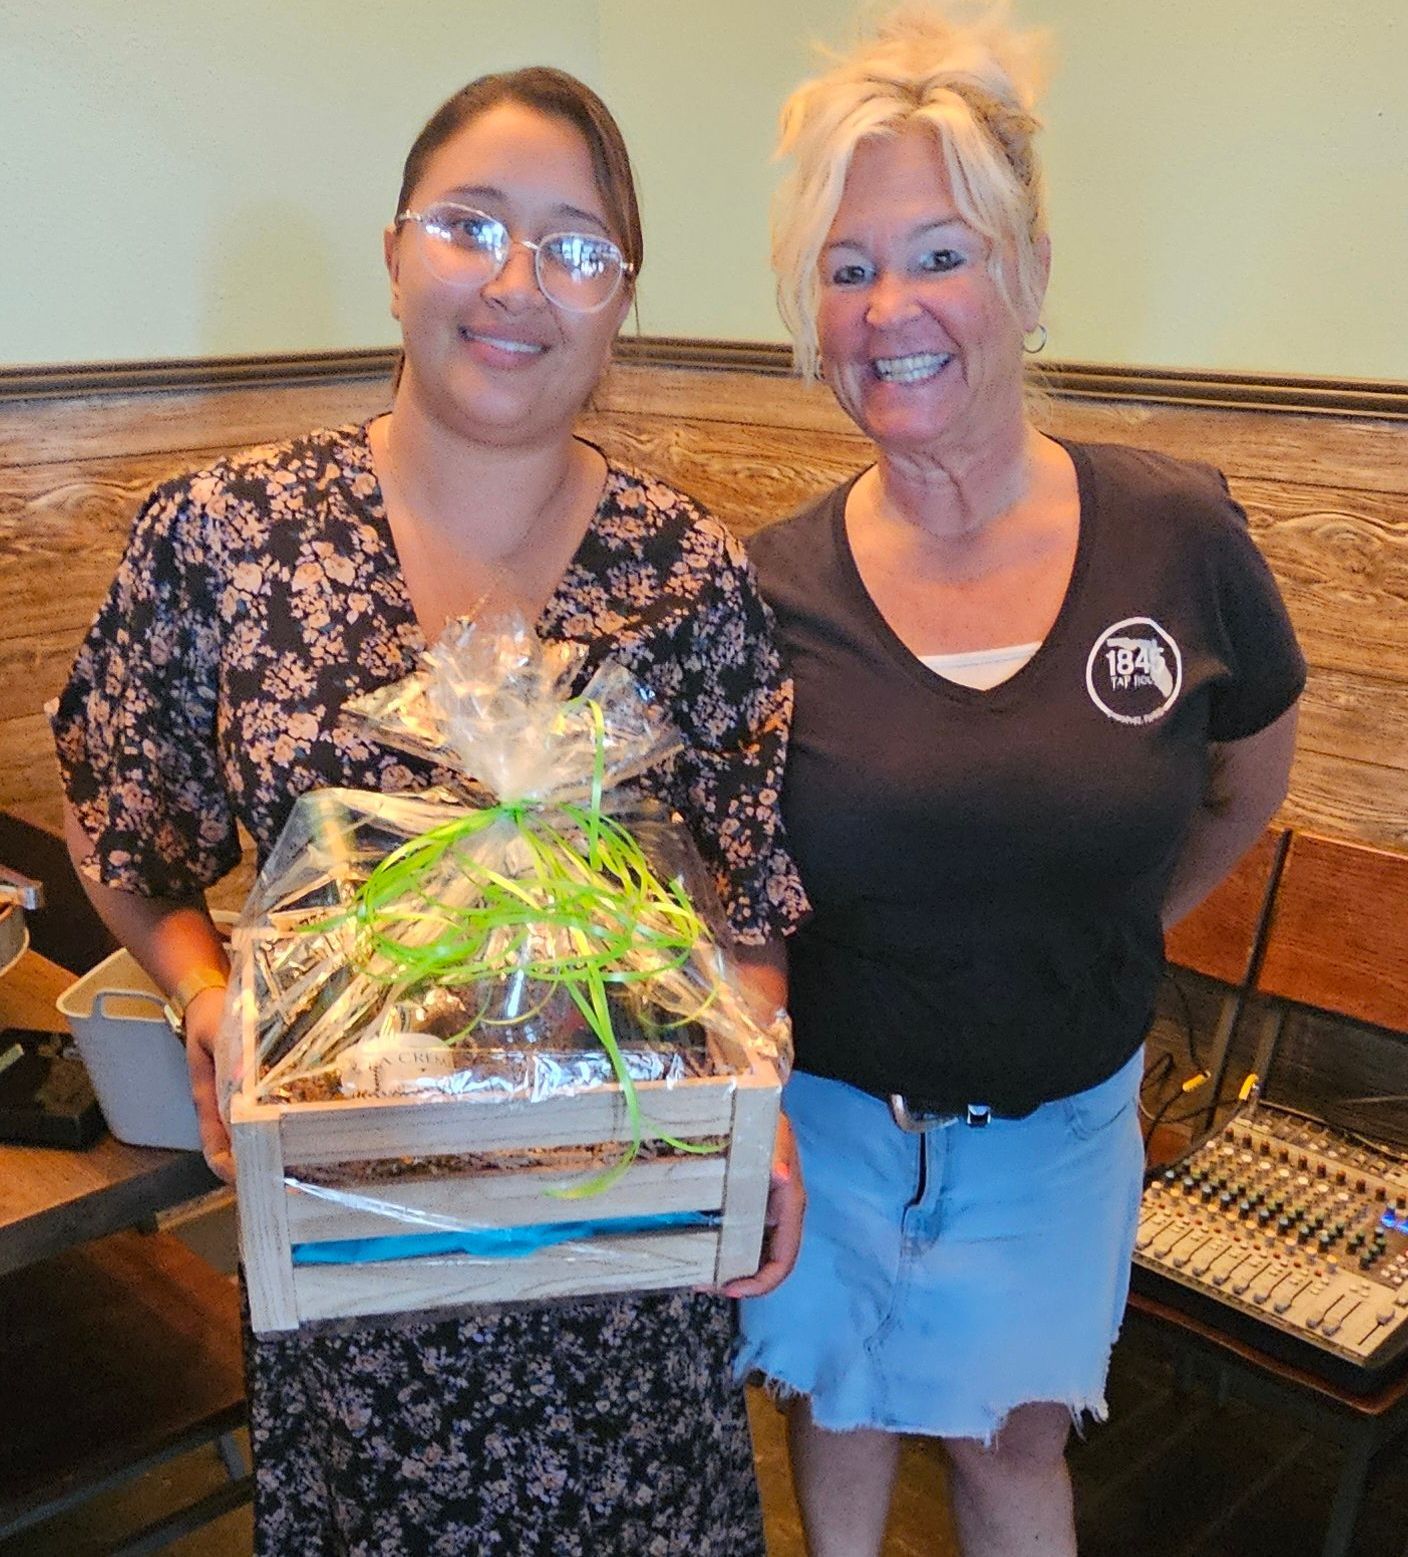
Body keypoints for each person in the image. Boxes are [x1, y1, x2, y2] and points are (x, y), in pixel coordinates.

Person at [53, 66, 807, 1554]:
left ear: (621, 301)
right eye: (471, 224)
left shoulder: (690, 569)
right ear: (396, 251)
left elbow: (749, 895)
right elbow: (120, 829)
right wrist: (210, 1002)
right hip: (359, 1269)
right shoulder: (228, 538)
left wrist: (757, 1104)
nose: (519, 282)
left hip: (620, 1252)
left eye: (578, 247)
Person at [735, 9, 1305, 1556]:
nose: (888, 308)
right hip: (837, 1116)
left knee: (1009, 1444)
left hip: (1060, 1121)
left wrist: (1107, 919)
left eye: (939, 253)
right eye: (846, 270)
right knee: (836, 1410)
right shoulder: (770, 587)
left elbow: (1247, 777)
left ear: (1029, 273)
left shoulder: (1177, 535)